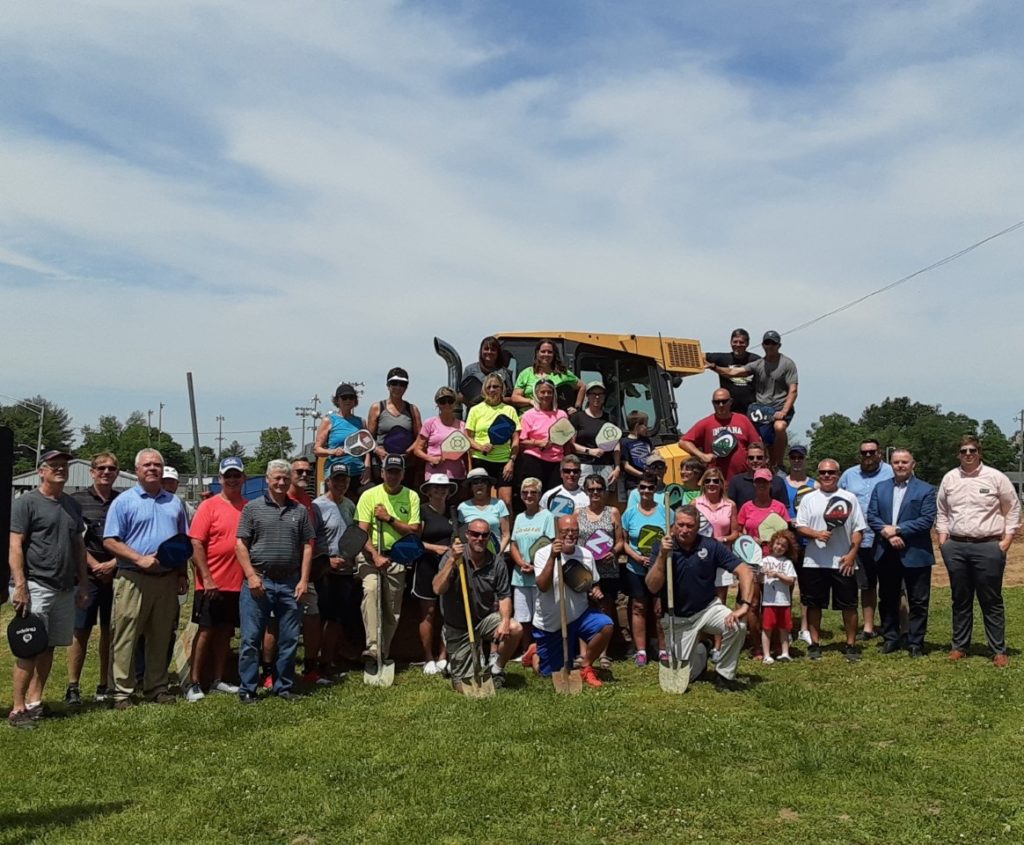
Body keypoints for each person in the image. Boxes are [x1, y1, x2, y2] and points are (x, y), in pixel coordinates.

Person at [8, 450, 89, 729]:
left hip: (65, 588)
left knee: (50, 647)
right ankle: (17, 709)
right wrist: (20, 586)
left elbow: (78, 547)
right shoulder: (27, 503)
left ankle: (35, 702)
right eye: (54, 466)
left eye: (64, 466)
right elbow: (15, 545)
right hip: (35, 586)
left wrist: (83, 583)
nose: (60, 470)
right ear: (41, 471)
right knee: (28, 647)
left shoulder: (71, 505)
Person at [103, 449, 189, 709]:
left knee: (161, 636)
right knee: (126, 635)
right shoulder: (124, 501)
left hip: (165, 579)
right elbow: (110, 540)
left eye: (157, 465)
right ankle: (121, 692)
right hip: (133, 577)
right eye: (147, 465)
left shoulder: (175, 503)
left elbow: (182, 542)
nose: (152, 469)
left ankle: (156, 686)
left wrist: (182, 572)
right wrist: (139, 558)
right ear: (137, 470)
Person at [645, 506, 755, 689]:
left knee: (737, 626)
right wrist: (662, 557)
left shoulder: (710, 545)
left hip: (707, 609)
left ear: (697, 528)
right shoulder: (662, 547)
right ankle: (702, 653)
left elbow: (745, 571)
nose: (684, 530)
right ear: (673, 526)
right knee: (685, 678)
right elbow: (652, 586)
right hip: (677, 618)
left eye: (690, 526)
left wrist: (744, 605)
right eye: (680, 525)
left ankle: (724, 675)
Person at [936, 435, 1019, 667]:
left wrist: (1007, 540)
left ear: (979, 453)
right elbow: (941, 510)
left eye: (972, 450)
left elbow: (1012, 509)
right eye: (963, 451)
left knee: (991, 599)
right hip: (956, 546)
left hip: (988, 546)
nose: (968, 454)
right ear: (958, 454)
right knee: (960, 598)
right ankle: (959, 646)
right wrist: (943, 539)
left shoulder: (995, 477)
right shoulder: (950, 478)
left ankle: (998, 650)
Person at [235, 460, 314, 703]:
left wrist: (303, 580)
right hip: (259, 582)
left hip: (290, 583)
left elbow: (308, 546)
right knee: (250, 638)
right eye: (276, 478)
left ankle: (284, 686)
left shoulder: (299, 511)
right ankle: (248, 688)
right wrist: (250, 576)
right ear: (267, 480)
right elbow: (240, 544)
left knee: (289, 639)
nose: (281, 483)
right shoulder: (253, 508)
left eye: (285, 479)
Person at [432, 518, 522, 691]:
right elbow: (437, 588)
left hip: (483, 620)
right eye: (475, 534)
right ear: (467, 535)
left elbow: (504, 597)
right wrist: (452, 560)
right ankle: (455, 666)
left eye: (484, 535)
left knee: (514, 627)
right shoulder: (453, 557)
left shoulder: (497, 562)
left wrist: (504, 622)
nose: (479, 538)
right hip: (458, 627)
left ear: (489, 537)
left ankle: (496, 670)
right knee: (462, 686)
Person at [184, 457, 247, 701]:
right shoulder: (208, 506)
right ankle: (194, 682)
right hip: (210, 583)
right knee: (206, 631)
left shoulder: (248, 506)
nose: (232, 480)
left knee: (225, 632)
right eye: (227, 476)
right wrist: (207, 578)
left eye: (236, 475)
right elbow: (196, 543)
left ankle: (220, 678)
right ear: (220, 479)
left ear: (243, 478)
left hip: (237, 583)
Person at [866, 449, 937, 657]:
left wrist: (898, 530)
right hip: (886, 552)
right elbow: (872, 516)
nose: (900, 466)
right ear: (891, 464)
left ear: (913, 464)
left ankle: (916, 642)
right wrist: (887, 534)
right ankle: (891, 638)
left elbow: (926, 520)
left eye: (904, 462)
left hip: (916, 553)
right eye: (896, 462)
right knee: (888, 598)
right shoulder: (881, 488)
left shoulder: (925, 489)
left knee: (918, 600)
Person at [795, 459, 866, 662]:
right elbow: (800, 526)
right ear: (818, 474)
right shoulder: (809, 499)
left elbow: (858, 529)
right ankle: (815, 644)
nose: (827, 476)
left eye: (831, 472)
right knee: (814, 605)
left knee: (849, 605)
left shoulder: (849, 498)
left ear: (838, 474)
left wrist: (852, 555)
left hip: (843, 561)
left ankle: (851, 645)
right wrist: (816, 534)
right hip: (814, 562)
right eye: (823, 473)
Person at [355, 454, 421, 670]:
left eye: (397, 472)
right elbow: (361, 532)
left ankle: (383, 653)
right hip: (370, 554)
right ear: (382, 472)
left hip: (398, 555)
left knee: (392, 608)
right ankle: (372, 647)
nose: (392, 476)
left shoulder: (411, 496)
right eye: (389, 471)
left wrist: (389, 519)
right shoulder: (369, 495)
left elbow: (414, 530)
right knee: (371, 591)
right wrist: (375, 555)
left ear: (402, 474)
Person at [532, 515, 613, 688]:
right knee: (548, 672)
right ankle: (535, 654)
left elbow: (592, 582)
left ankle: (586, 666)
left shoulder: (585, 554)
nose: (570, 535)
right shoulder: (542, 553)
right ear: (556, 533)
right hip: (551, 624)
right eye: (565, 531)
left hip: (579, 616)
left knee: (606, 625)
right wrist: (553, 557)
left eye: (574, 531)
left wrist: (596, 590)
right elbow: (542, 586)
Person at [65, 452, 120, 706]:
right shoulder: (75, 501)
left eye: (111, 468)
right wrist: (95, 565)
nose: (106, 472)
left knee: (111, 632)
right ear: (92, 471)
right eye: (101, 468)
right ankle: (73, 686)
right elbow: (74, 539)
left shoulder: (123, 501)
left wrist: (112, 564)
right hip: (86, 577)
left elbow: (133, 539)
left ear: (117, 472)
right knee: (81, 631)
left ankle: (104, 684)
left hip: (117, 574)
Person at [709, 330, 798, 469]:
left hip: (780, 407)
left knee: (779, 427)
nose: (770, 346)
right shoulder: (758, 363)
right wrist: (715, 367)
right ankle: (767, 467)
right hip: (761, 409)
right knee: (763, 441)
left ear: (779, 345)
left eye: (773, 343)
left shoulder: (787, 364)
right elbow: (733, 372)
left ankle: (779, 464)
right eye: (767, 343)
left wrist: (784, 411)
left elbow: (793, 390)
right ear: (763, 345)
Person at [839, 439, 894, 640]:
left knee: (892, 585)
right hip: (861, 539)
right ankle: (869, 627)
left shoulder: (891, 471)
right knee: (867, 585)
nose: (868, 456)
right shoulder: (849, 475)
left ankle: (895, 626)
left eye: (872, 452)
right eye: (864, 453)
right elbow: (839, 501)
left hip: (887, 538)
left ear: (879, 453)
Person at [313, 466, 364, 673]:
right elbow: (309, 541)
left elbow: (353, 535)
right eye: (336, 480)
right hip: (325, 571)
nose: (341, 484)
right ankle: (314, 660)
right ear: (328, 481)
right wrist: (327, 560)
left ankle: (328, 660)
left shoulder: (350, 505)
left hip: (346, 571)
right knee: (322, 618)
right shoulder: (317, 506)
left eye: (344, 480)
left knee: (337, 619)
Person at [736, 468, 791, 659]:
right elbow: (739, 531)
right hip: (752, 561)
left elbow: (786, 533)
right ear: (754, 484)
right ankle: (757, 645)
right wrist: (751, 541)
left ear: (770, 484)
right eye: (758, 482)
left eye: (764, 482)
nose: (761, 485)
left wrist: (773, 541)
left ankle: (776, 642)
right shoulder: (746, 507)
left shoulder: (779, 507)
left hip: (775, 561)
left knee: (774, 603)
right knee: (752, 603)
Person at [288, 457, 329, 686]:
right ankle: (276, 669)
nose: (304, 475)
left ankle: (311, 667)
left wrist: (323, 560)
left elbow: (318, 537)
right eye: (299, 472)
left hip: (309, 572)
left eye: (307, 472)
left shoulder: (311, 505)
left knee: (312, 618)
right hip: (284, 573)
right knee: (283, 621)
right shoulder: (282, 501)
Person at [577, 473, 625, 668]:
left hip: (608, 569)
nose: (595, 492)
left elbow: (620, 540)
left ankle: (604, 653)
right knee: (583, 609)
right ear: (586, 492)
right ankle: (584, 653)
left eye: (599, 489)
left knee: (605, 608)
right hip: (585, 570)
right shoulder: (578, 513)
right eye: (591, 489)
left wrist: (613, 552)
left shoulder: (612, 512)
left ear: (604, 491)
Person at [621, 478, 669, 667]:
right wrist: (637, 557)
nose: (646, 491)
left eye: (650, 487)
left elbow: (670, 538)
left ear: (655, 489)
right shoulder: (630, 513)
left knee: (659, 610)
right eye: (643, 487)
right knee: (638, 607)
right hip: (636, 568)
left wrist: (659, 559)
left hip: (659, 569)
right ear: (638, 489)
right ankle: (641, 650)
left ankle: (663, 649)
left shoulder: (666, 512)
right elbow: (622, 541)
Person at [412, 474, 457, 676]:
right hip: (426, 566)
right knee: (428, 612)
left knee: (448, 612)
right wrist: (434, 549)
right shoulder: (421, 511)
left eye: (444, 488)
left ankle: (443, 656)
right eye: (436, 488)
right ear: (428, 491)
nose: (440, 491)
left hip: (449, 566)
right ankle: (428, 657)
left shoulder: (454, 512)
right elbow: (414, 541)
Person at [694, 468, 740, 658]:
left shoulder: (730, 505)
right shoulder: (695, 504)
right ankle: (701, 642)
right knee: (700, 600)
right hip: (700, 558)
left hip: (721, 558)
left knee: (719, 603)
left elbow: (736, 532)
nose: (712, 484)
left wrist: (722, 540)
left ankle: (718, 646)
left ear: (722, 484)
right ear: (703, 484)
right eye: (708, 481)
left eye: (716, 480)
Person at [508, 478, 555, 660]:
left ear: (539, 495)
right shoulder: (519, 517)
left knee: (540, 615)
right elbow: (514, 544)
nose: (529, 496)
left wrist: (536, 566)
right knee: (523, 616)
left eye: (533, 492)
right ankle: (526, 650)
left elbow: (550, 543)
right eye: (525, 492)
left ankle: (541, 649)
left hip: (540, 574)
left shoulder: (548, 516)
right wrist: (521, 563)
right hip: (520, 575)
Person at [679, 389, 761, 482]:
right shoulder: (706, 423)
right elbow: (683, 442)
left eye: (724, 401)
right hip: (717, 482)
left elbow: (757, 445)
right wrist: (702, 456)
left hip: (744, 479)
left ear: (730, 402)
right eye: (717, 402)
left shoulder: (743, 420)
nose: (721, 405)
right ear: (713, 403)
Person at [464, 373, 520, 509]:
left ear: (502, 389)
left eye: (496, 386)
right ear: (484, 389)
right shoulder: (475, 410)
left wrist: (511, 461)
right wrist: (480, 447)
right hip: (481, 460)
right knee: (483, 502)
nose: (492, 390)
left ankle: (506, 530)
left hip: (503, 462)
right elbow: (467, 437)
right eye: (489, 387)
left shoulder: (510, 410)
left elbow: (516, 439)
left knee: (506, 502)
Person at [780, 444, 817, 645]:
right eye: (793, 457)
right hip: (786, 542)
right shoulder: (780, 484)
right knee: (785, 586)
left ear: (805, 459)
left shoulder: (815, 484)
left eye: (799, 457)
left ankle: (804, 628)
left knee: (806, 587)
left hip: (806, 542)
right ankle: (787, 628)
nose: (796, 461)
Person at [367, 367, 422, 485]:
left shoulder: (412, 409)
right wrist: (377, 450)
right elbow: (367, 438)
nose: (398, 387)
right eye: (394, 383)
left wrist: (410, 450)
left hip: (406, 465)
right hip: (381, 464)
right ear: (388, 385)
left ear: (406, 387)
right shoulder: (377, 408)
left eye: (402, 384)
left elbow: (421, 437)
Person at [518, 379, 573, 494]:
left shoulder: (562, 415)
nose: (546, 395)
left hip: (557, 462)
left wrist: (567, 461)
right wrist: (538, 443)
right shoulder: (528, 415)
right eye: (542, 392)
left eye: (549, 392)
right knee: (534, 495)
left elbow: (567, 442)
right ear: (536, 394)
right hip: (534, 461)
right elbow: (521, 441)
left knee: (554, 496)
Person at [314, 383, 369, 493]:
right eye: (344, 397)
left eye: (351, 397)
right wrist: (333, 451)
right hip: (336, 475)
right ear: (337, 400)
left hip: (357, 474)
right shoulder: (329, 420)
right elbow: (317, 449)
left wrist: (367, 468)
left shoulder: (361, 422)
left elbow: (367, 447)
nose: (348, 400)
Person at [411, 387, 471, 485]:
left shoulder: (462, 425)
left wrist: (469, 474)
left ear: (455, 403)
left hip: (457, 476)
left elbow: (465, 453)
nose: (447, 404)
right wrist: (431, 459)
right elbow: (417, 449)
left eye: (450, 401)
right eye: (443, 401)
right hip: (434, 476)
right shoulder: (429, 423)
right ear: (437, 404)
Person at [511, 338, 585, 413]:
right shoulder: (526, 373)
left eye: (549, 352)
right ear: (537, 353)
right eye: (543, 351)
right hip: (529, 416)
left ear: (554, 354)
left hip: (553, 418)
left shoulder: (562, 373)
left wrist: (577, 408)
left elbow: (582, 386)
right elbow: (515, 397)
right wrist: (531, 401)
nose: (546, 354)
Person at [572, 381, 621, 486]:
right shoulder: (578, 418)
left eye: (600, 394)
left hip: (606, 466)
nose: (597, 397)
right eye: (593, 394)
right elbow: (571, 445)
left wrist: (617, 467)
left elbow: (616, 445)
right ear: (587, 397)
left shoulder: (610, 419)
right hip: (584, 465)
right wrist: (589, 451)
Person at [760, 530, 798, 663]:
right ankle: (766, 655)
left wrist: (778, 575)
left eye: (783, 546)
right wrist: (761, 573)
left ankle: (785, 653)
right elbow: (758, 578)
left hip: (784, 601)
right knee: (767, 628)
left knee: (784, 628)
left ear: (787, 549)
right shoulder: (764, 561)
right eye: (777, 544)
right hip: (769, 601)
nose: (779, 547)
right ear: (772, 544)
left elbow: (791, 580)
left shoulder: (787, 563)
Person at [704, 328, 761, 414]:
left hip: (751, 410)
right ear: (730, 342)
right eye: (735, 342)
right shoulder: (722, 358)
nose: (738, 345)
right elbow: (699, 355)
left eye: (741, 342)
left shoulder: (756, 360)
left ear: (747, 344)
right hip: (728, 410)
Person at [458, 467, 511, 554]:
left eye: (483, 481)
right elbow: (462, 535)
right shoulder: (462, 507)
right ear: (471, 487)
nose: (479, 485)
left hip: (495, 553)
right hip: (472, 555)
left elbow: (506, 534)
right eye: (475, 482)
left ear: (488, 485)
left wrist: (498, 554)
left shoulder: (499, 504)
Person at [726, 442, 789, 510]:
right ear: (747, 460)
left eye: (759, 457)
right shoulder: (736, 481)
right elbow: (730, 509)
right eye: (751, 458)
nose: (755, 460)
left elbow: (784, 510)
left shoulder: (778, 482)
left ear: (766, 459)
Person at [460, 336, 514, 407]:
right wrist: (473, 402)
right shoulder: (470, 370)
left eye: (493, 349)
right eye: (486, 349)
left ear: (498, 352)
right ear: (481, 351)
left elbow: (511, 398)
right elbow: (460, 395)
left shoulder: (505, 372)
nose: (489, 352)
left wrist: (495, 400)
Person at [619, 411, 654, 494]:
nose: (647, 427)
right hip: (634, 484)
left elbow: (653, 451)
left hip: (649, 483)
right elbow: (626, 466)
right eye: (645, 425)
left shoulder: (646, 440)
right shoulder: (624, 443)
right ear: (637, 426)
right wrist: (642, 475)